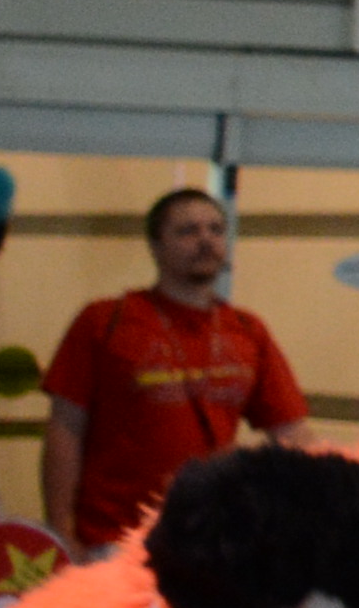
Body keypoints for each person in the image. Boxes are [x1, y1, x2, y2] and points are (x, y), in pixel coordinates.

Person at [37, 187, 310, 556]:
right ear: (155, 246)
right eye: (188, 231)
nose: (205, 240)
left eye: (216, 230)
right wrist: (60, 530)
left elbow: (291, 432)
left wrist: (334, 504)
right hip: (113, 539)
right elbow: (65, 430)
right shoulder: (104, 321)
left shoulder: (248, 330)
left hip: (211, 540)